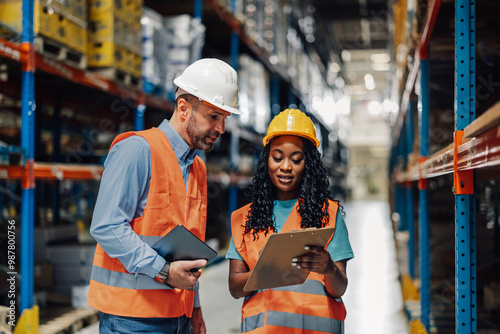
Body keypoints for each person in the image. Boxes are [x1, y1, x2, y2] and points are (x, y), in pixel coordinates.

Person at [87, 58, 242, 334]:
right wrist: (163, 271)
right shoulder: (137, 149)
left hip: (178, 316)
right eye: (213, 116)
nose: (221, 129)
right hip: (131, 318)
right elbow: (106, 226)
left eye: (225, 119)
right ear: (183, 108)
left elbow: (190, 247)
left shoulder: (198, 168)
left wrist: (195, 309)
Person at [226, 108, 354, 333]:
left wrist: (329, 269)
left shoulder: (329, 215)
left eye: (296, 160)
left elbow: (339, 289)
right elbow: (235, 287)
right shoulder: (244, 218)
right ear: (267, 160)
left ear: (309, 165)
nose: (285, 167)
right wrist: (264, 273)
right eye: (277, 158)